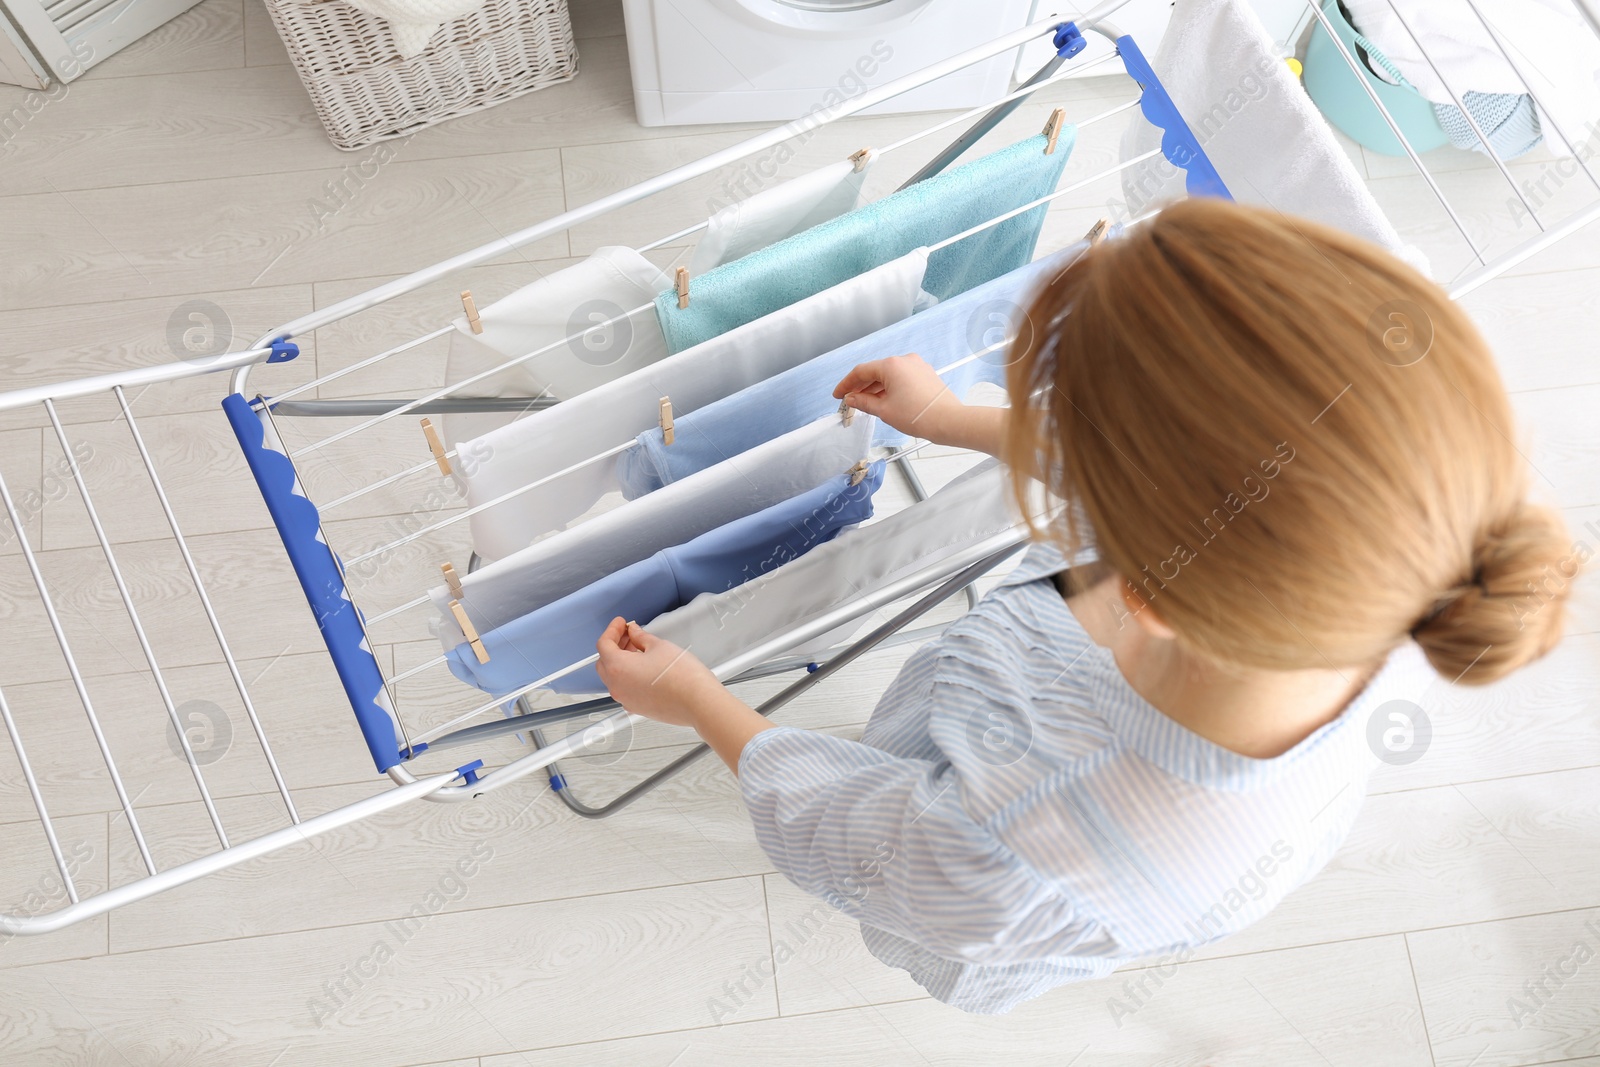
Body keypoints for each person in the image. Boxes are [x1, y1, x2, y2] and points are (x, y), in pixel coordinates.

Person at [593, 197, 1576, 1014]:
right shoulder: (1354, 573)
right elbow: (1159, 480)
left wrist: (695, 696)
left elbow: (838, 827)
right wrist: (948, 418)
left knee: (895, 844)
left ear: (1139, 591)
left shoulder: (1005, 845)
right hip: (1075, 775)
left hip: (960, 861)